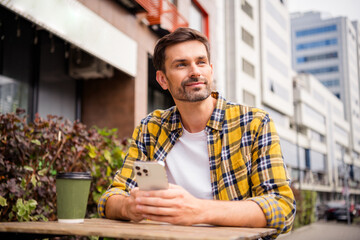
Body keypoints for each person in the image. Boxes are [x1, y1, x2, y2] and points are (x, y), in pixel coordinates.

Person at [98, 27, 295, 239]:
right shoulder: (151, 128)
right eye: (181, 64)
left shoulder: (253, 123)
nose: (195, 71)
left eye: (200, 62)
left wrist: (197, 210)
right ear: (162, 80)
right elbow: (111, 198)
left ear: (210, 69)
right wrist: (130, 207)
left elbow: (281, 206)